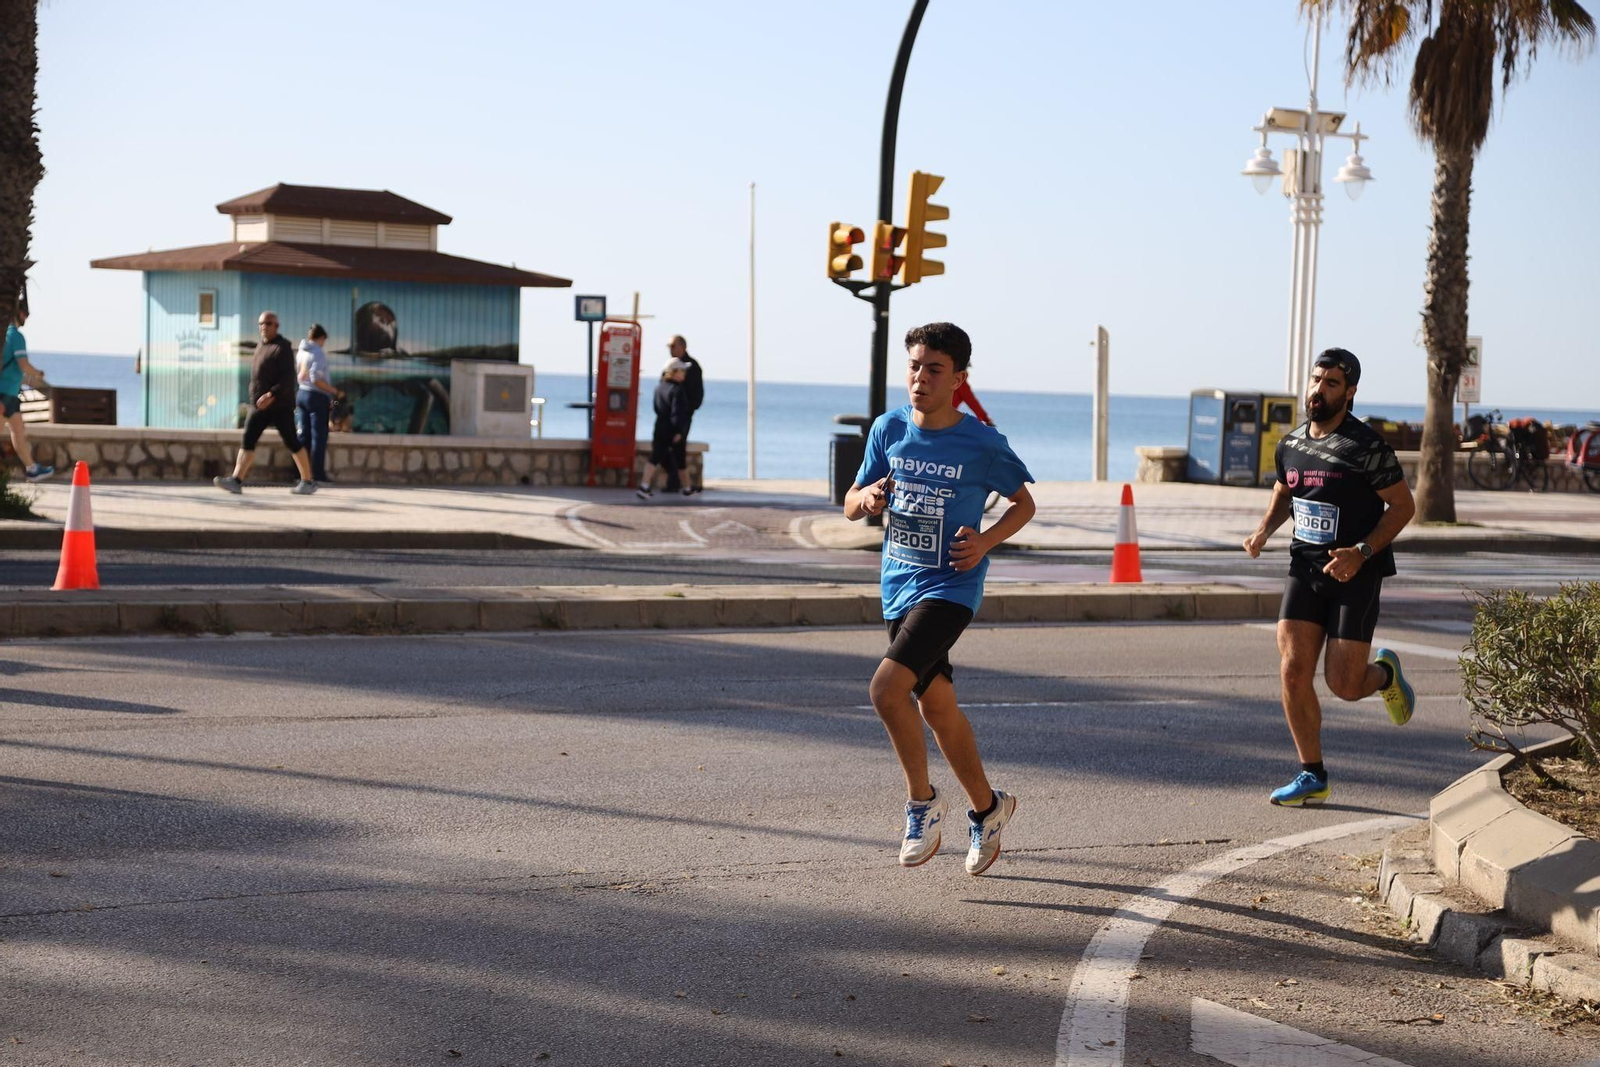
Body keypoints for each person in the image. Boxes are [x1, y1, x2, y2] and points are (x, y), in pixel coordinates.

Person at [843, 322, 1036, 876]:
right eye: (914, 366)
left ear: (958, 379)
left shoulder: (980, 442)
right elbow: (851, 503)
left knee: (885, 690)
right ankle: (989, 809)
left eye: (934, 369)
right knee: (936, 706)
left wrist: (986, 541)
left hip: (951, 584)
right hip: (897, 584)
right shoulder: (889, 428)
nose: (920, 378)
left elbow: (1023, 504)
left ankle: (922, 804)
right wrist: (870, 497)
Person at [1243, 347, 1418, 807]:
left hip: (1356, 572)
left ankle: (1384, 675)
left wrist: (1361, 552)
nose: (1318, 390)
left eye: (1331, 383)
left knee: (1343, 683)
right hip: (1305, 566)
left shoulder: (1367, 447)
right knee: (1293, 670)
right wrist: (1263, 530)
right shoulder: (1293, 443)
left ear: (1351, 391)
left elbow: (1404, 507)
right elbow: (1287, 487)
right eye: (1316, 380)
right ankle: (1312, 773)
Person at [214, 311, 317, 495]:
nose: (264, 326)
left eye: (268, 323)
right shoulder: (260, 346)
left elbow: (288, 379)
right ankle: (236, 480)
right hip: (259, 406)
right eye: (261, 323)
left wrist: (271, 394)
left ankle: (307, 481)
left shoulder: (282, 347)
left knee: (292, 442)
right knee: (248, 440)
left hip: (279, 406)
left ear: (276, 326)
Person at [1, 296, 54, 482]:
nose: (27, 318)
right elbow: (23, 365)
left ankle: (32, 468)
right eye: (26, 314)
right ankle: (31, 468)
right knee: (14, 430)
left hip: (9, 393)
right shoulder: (15, 335)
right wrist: (38, 374)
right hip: (5, 393)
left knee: (18, 430)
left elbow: (15, 369)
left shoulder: (5, 334)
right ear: (19, 313)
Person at [636, 357, 692, 500]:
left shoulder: (659, 387)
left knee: (654, 457)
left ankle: (644, 485)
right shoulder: (677, 390)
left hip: (659, 426)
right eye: (682, 371)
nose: (684, 374)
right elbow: (677, 412)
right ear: (674, 372)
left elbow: (656, 407)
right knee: (680, 459)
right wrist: (679, 431)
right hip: (672, 429)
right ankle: (687, 488)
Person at [295, 324, 342, 483]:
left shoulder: (301, 351)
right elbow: (316, 378)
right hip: (316, 397)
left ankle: (301, 474)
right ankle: (317, 475)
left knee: (303, 436)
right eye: (323, 341)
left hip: (301, 394)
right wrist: (333, 391)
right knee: (318, 437)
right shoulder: (318, 352)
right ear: (321, 338)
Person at [664, 335, 702, 493]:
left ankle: (679, 483)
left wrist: (687, 410)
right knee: (666, 447)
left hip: (683, 415)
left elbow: (696, 393)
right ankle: (676, 481)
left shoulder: (692, 367)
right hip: (670, 414)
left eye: (673, 346)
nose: (671, 350)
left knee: (678, 447)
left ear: (682, 347)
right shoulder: (671, 365)